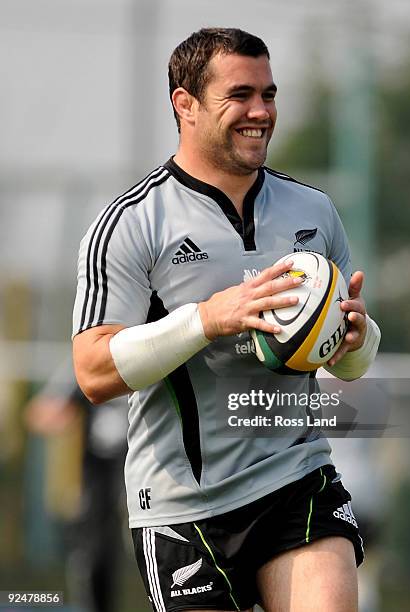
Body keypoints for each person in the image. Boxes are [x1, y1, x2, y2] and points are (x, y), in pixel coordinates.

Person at [72, 28, 381, 612]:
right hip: (182, 507)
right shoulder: (132, 224)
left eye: (269, 94)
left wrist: (357, 341)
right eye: (239, 95)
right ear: (184, 104)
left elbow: (355, 362)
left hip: (297, 476)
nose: (260, 112)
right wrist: (206, 319)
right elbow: (91, 372)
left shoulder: (314, 211)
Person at [25, 360, 128, 612]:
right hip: (100, 474)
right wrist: (57, 413)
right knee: (94, 547)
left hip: (148, 473)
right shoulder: (86, 361)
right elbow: (39, 413)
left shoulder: (156, 352)